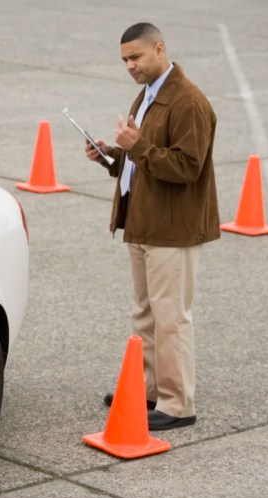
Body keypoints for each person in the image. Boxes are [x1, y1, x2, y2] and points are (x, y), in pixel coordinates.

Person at [84, 22, 220, 430]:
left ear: (159, 49)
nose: (130, 66)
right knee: (145, 314)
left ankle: (178, 404)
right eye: (125, 59)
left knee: (171, 316)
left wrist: (136, 146)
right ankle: (148, 390)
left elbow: (187, 167)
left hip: (172, 229)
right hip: (142, 223)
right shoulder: (146, 97)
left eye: (136, 57)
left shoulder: (188, 102)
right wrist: (109, 156)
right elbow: (141, 164)